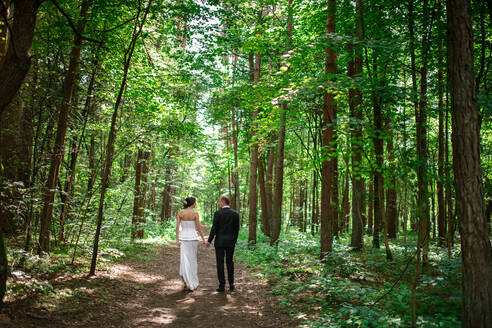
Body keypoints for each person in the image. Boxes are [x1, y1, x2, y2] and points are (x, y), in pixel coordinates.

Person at [206, 195, 240, 292]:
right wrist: (234, 241)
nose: (219, 203)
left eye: (219, 201)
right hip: (231, 242)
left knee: (220, 263)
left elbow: (214, 229)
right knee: (230, 262)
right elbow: (236, 230)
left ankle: (222, 285)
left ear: (223, 202)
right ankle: (231, 284)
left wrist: (209, 241)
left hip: (220, 242)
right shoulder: (235, 214)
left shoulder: (218, 213)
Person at [176, 196, 206, 291]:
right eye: (195, 202)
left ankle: (185, 282)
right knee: (192, 260)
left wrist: (177, 239)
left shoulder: (180, 213)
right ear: (192, 203)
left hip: (183, 238)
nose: (196, 203)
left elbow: (177, 227)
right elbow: (198, 228)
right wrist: (203, 239)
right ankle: (192, 281)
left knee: (184, 260)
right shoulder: (195, 214)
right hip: (193, 238)